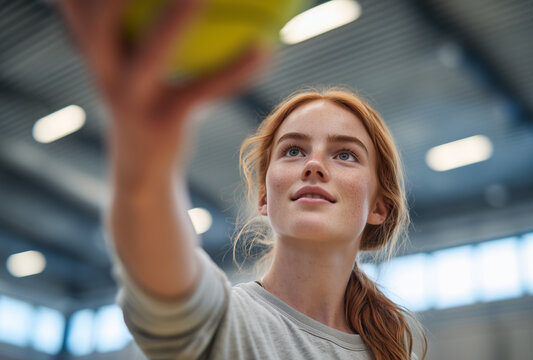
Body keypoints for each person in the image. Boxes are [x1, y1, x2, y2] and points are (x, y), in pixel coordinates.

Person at [60, 1, 427, 359]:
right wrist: (144, 169)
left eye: (345, 155)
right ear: (264, 197)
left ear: (379, 207)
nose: (314, 165)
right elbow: (165, 286)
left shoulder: (395, 347)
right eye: (293, 151)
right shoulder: (221, 327)